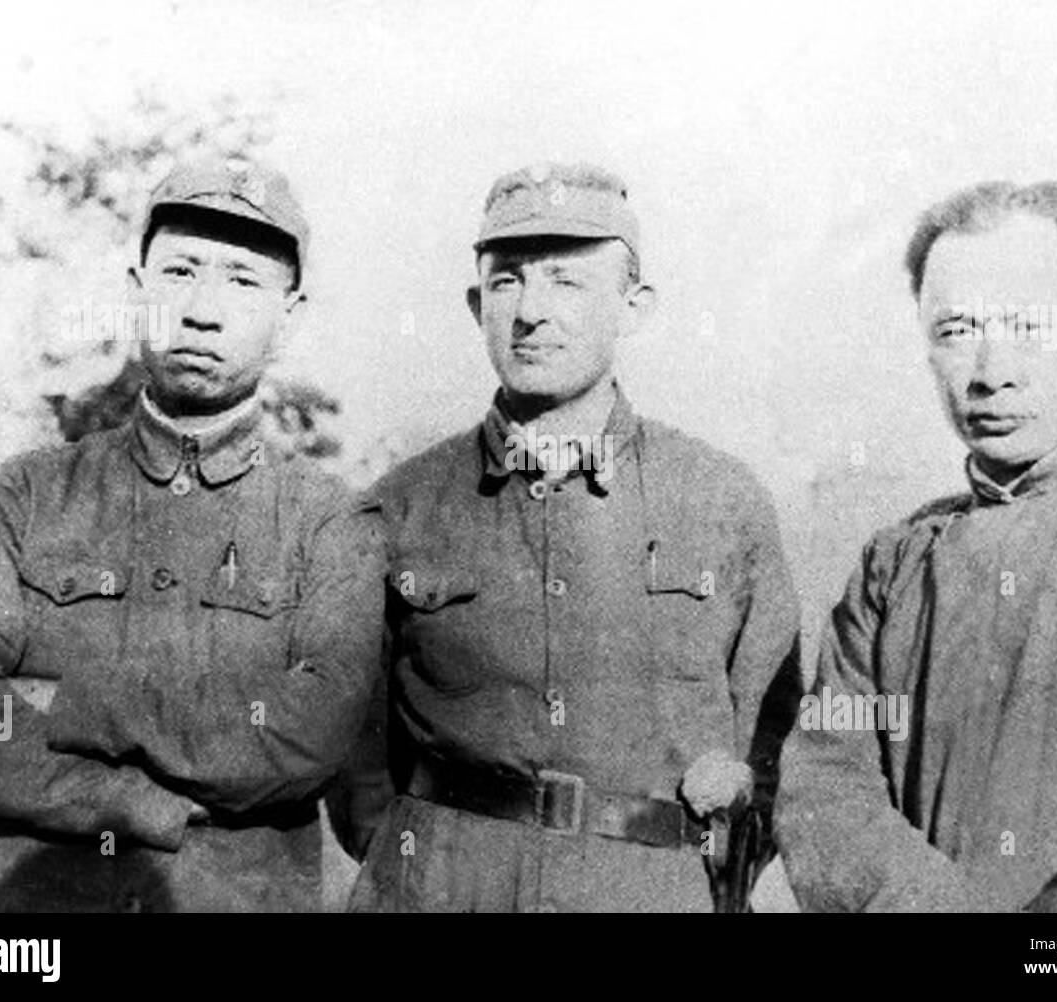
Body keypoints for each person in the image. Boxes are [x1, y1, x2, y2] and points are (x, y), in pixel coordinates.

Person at [0, 158, 385, 911]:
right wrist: (134, 803)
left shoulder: (333, 523)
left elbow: (307, 736)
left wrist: (54, 699)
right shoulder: (27, 492)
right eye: (181, 271)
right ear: (137, 294)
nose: (202, 309)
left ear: (288, 316)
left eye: (241, 280)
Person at [336, 162, 802, 912]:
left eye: (568, 282)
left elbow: (773, 742)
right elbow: (358, 758)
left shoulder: (720, 501)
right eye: (508, 282)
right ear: (474, 303)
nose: (532, 312)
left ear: (633, 306)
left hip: (647, 890)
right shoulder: (401, 507)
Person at [774, 181, 1057, 912]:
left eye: (1028, 325)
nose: (990, 371)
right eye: (955, 329)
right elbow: (827, 787)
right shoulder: (891, 569)